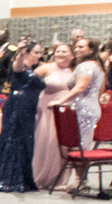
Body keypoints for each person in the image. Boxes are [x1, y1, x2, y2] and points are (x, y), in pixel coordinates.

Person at [0, 41, 46, 193]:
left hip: (29, 107)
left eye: (40, 53)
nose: (39, 56)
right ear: (28, 53)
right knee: (13, 139)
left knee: (26, 140)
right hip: (17, 107)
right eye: (36, 52)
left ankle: (23, 178)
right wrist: (20, 53)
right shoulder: (20, 64)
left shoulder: (34, 69)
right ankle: (6, 178)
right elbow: (17, 65)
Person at [33, 42, 80, 191]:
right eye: (58, 51)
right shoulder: (46, 68)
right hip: (47, 108)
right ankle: (41, 175)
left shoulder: (76, 70)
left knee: (63, 143)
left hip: (67, 110)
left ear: (71, 55)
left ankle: (60, 179)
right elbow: (29, 81)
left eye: (64, 52)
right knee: (46, 140)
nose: (60, 54)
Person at [69, 36, 106, 147]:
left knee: (82, 146)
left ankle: (82, 164)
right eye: (75, 47)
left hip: (84, 109)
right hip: (90, 106)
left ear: (91, 50)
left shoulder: (86, 66)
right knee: (83, 143)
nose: (76, 49)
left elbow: (80, 87)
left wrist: (61, 100)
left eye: (81, 47)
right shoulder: (96, 65)